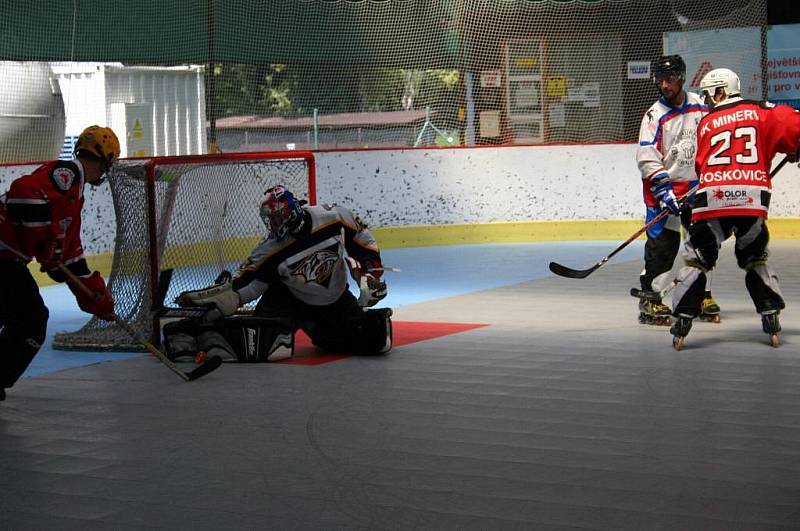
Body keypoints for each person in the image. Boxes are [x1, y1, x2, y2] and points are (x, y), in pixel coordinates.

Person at [170, 185, 392, 362]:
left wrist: (370, 273)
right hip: (288, 300)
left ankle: (315, 327)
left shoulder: (332, 217)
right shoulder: (270, 249)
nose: (273, 223)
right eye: (270, 219)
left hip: (335, 299)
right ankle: (192, 333)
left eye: (277, 216)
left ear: (291, 209)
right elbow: (249, 284)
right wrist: (222, 302)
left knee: (371, 340)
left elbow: (361, 238)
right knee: (260, 346)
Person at [670, 68, 800, 349]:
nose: (707, 101)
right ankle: (769, 310)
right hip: (752, 198)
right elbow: (793, 127)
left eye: (709, 95)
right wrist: (794, 149)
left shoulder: (707, 123)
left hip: (712, 198)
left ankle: (682, 317)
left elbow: (702, 166)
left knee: (699, 257)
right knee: (754, 254)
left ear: (721, 91)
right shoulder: (762, 110)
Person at [0, 125, 119, 401]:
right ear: (105, 160)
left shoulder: (73, 196)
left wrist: (91, 292)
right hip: (3, 259)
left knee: (12, 314)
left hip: (6, 260)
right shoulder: (66, 174)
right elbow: (22, 194)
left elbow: (68, 259)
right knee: (30, 321)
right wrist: (46, 237)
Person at [635, 55, 721, 325]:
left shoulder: (700, 106)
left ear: (682, 77)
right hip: (665, 194)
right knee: (663, 247)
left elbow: (715, 139)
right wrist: (664, 191)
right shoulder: (653, 115)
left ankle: (700, 293)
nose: (664, 85)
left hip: (696, 190)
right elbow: (647, 156)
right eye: (659, 80)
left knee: (702, 245)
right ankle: (651, 298)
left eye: (669, 79)